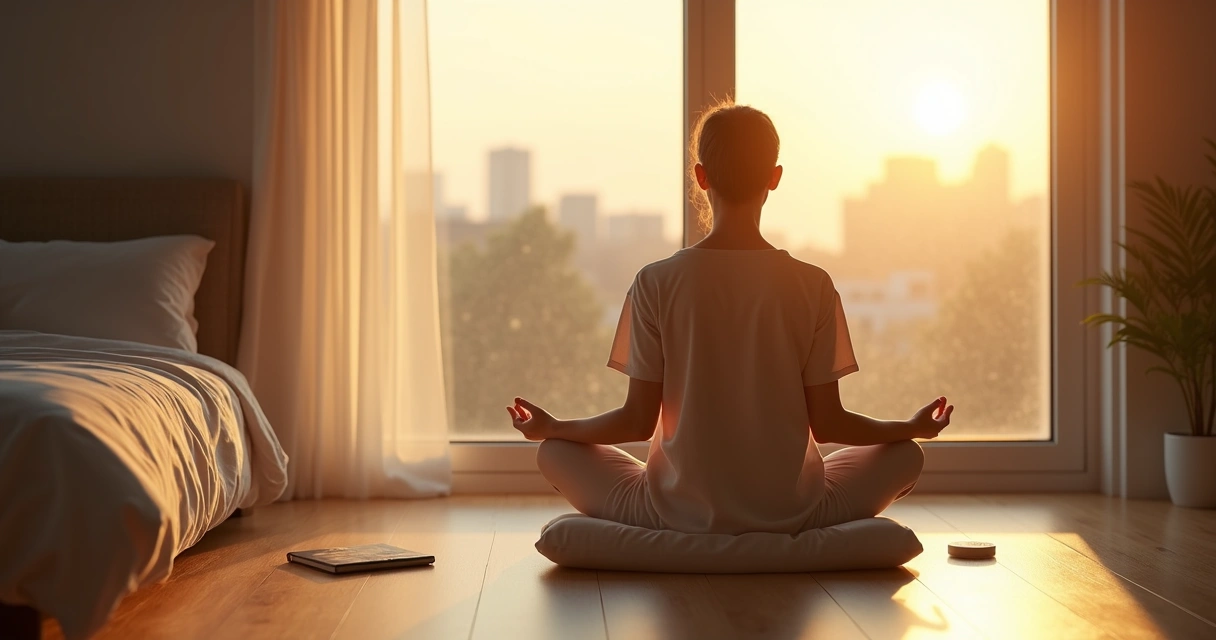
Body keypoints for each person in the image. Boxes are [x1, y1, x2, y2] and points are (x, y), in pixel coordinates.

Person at [506, 102, 954, 535]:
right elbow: (831, 424)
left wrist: (554, 427)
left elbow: (636, 422)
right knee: (906, 456)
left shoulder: (654, 282)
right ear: (774, 178)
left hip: (674, 511)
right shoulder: (812, 284)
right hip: (791, 508)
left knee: (554, 453)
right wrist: (911, 428)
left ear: (700, 177)